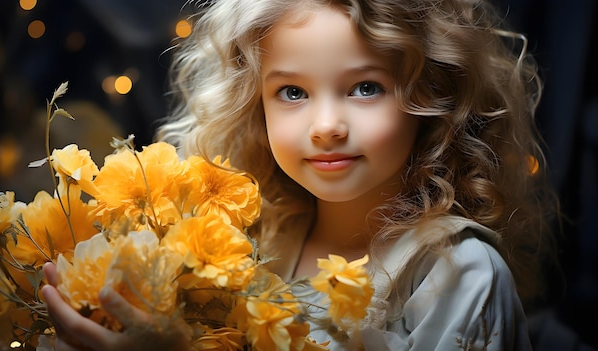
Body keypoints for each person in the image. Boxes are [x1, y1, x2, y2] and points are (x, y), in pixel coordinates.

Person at [41, 0, 560, 349]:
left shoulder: (459, 276)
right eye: (292, 93)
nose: (327, 127)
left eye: (365, 88)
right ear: (255, 106)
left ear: (430, 95)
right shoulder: (240, 244)